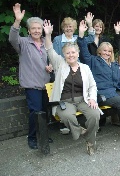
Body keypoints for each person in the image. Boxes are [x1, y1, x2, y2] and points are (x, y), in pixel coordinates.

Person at [44, 20, 100, 155]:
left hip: (82, 99)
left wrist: (92, 99)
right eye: (68, 53)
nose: (71, 55)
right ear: (64, 55)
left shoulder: (85, 68)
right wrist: (47, 35)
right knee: (68, 116)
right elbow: (50, 50)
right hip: (66, 101)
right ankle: (82, 132)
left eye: (73, 52)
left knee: (95, 114)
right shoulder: (59, 64)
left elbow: (92, 86)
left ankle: (90, 142)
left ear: (78, 54)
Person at [77, 21, 120, 139]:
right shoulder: (93, 61)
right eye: (104, 50)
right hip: (102, 93)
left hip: (115, 90)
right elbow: (84, 52)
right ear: (99, 51)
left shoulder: (114, 65)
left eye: (109, 51)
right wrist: (81, 35)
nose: (107, 53)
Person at [8, 3, 53, 149]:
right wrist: (17, 21)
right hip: (32, 84)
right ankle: (32, 137)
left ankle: (44, 134)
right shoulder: (23, 43)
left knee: (45, 111)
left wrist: (50, 66)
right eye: (33, 28)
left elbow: (51, 58)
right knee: (35, 111)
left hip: (46, 83)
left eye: (39, 28)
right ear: (28, 30)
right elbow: (12, 38)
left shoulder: (46, 44)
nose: (36, 30)